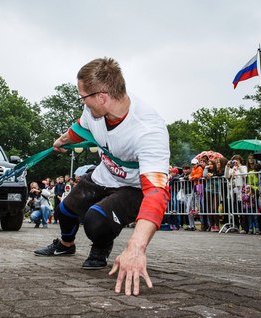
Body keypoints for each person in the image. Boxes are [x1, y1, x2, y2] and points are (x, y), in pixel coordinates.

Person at [33, 57, 170, 296]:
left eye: (83, 96)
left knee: (96, 221)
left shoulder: (149, 130)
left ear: (102, 96)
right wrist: (60, 142)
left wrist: (136, 248)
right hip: (104, 175)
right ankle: (66, 246)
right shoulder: (92, 110)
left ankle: (101, 246)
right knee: (64, 211)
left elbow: (157, 192)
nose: (82, 101)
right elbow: (79, 128)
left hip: (132, 186)